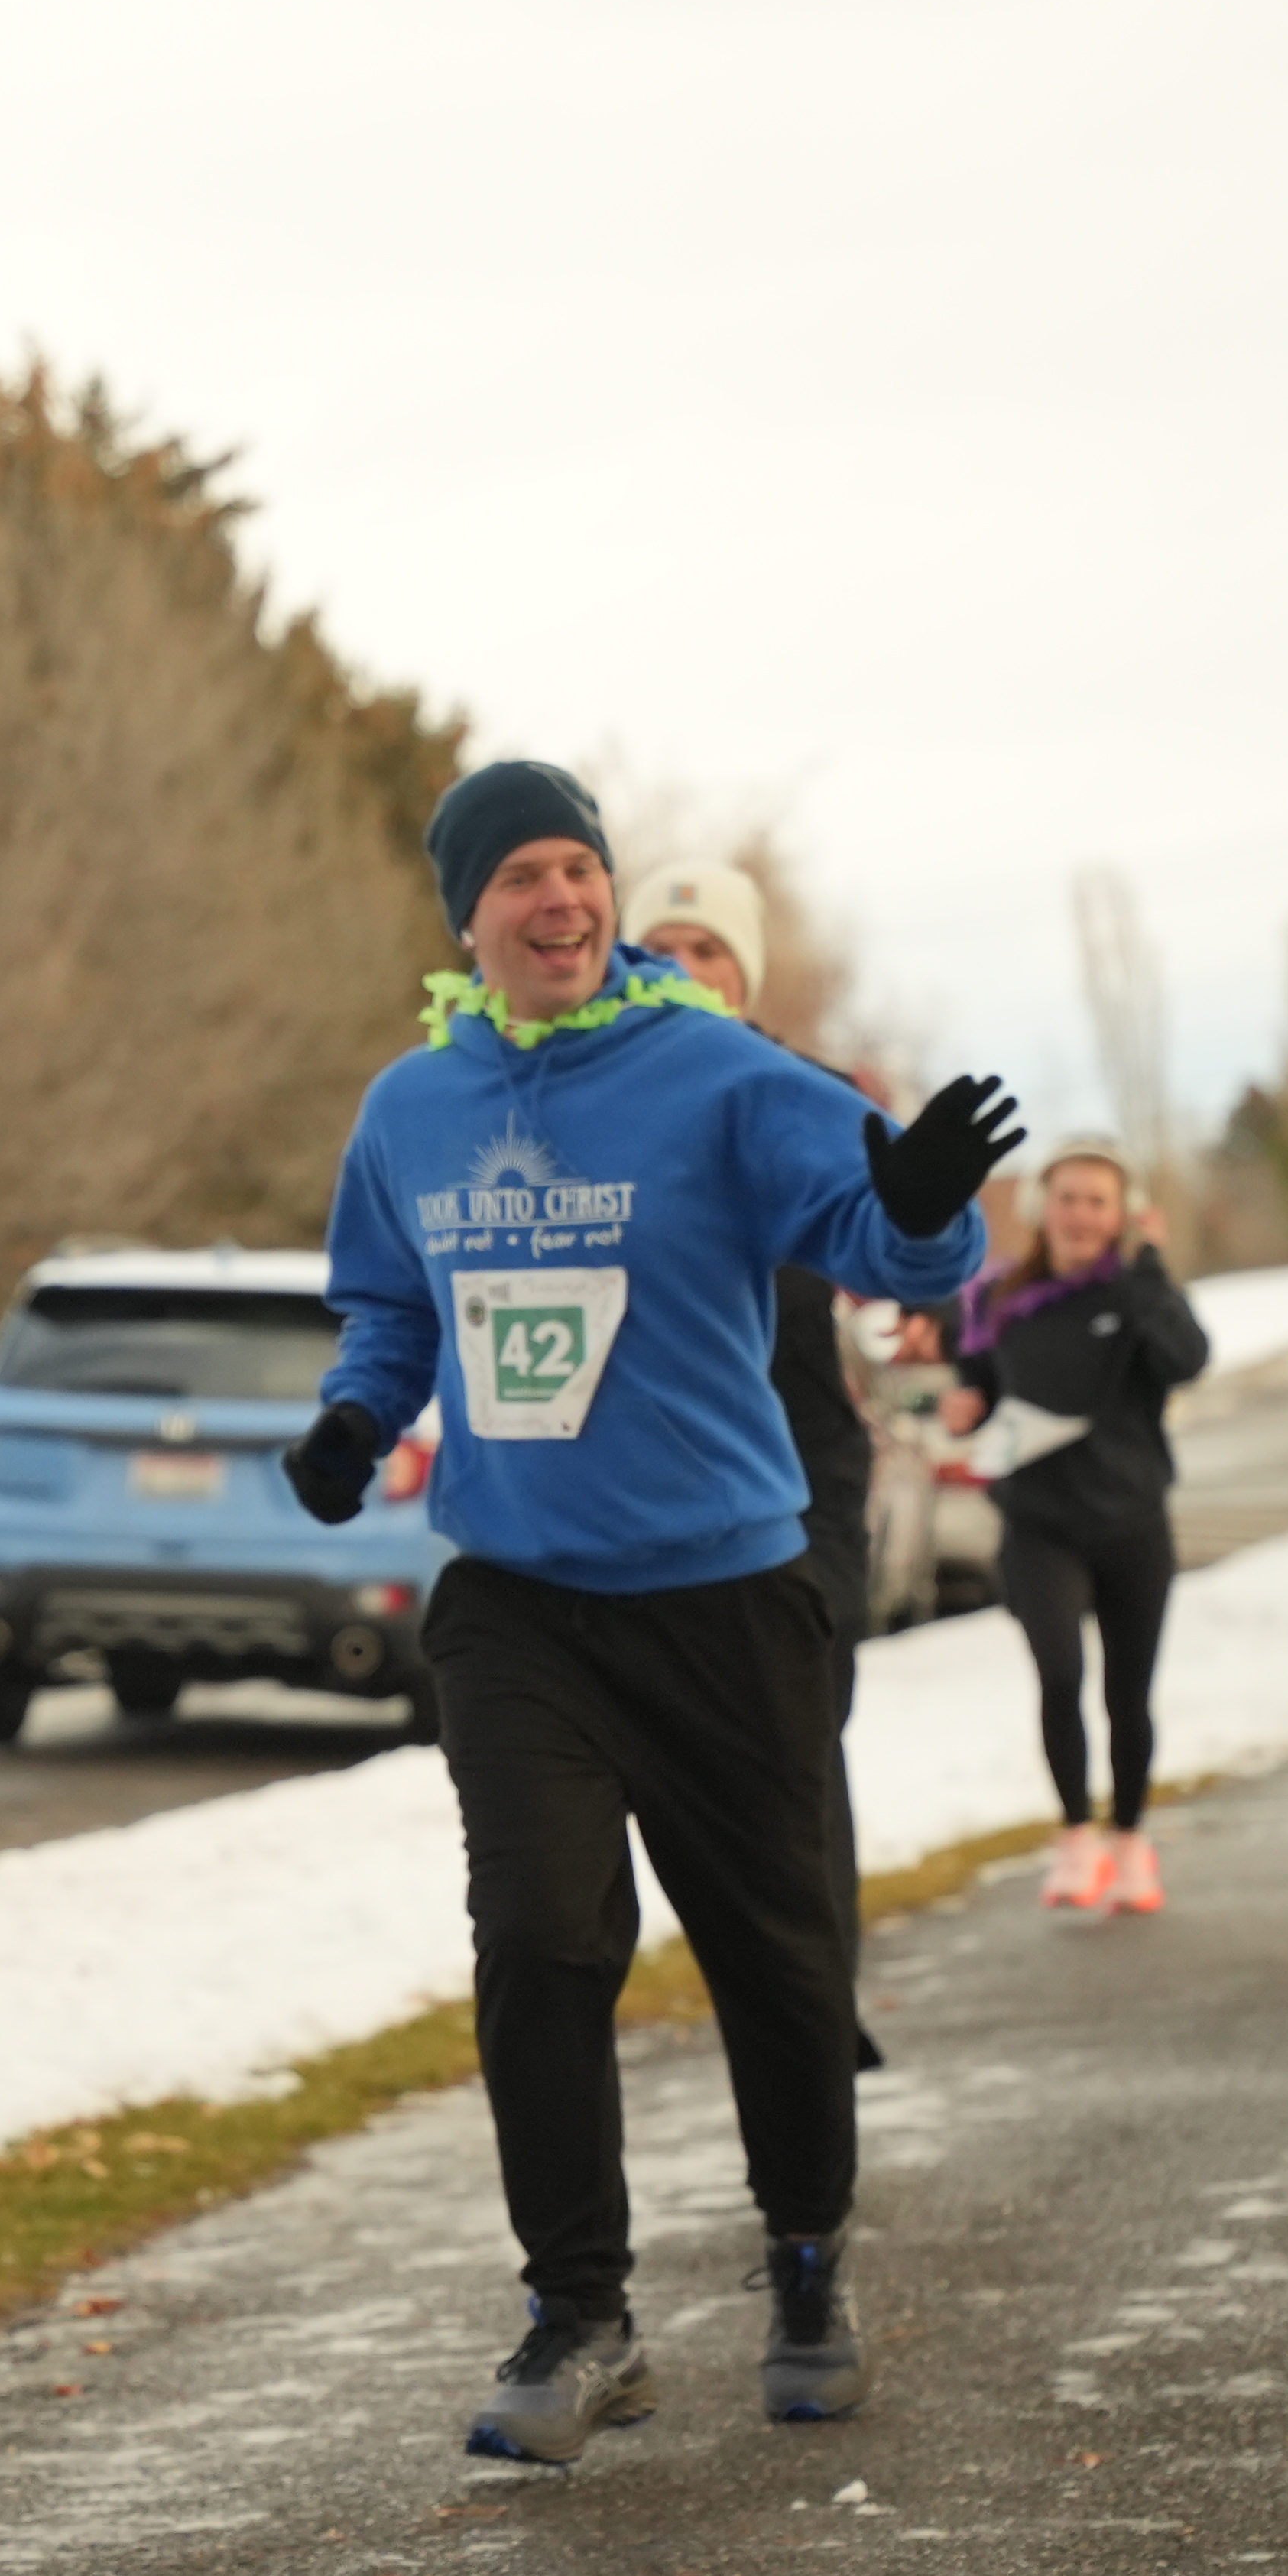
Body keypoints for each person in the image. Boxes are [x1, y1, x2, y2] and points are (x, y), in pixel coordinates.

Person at [285, 762, 1011, 2456]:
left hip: (725, 1591)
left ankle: (810, 2260)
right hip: (521, 1597)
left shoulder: (715, 1067)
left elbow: (891, 1244)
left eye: (578, 870)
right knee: (542, 1938)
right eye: (522, 877)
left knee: (774, 1954)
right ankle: (580, 2313)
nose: (561, 901)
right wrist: (349, 1421)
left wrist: (917, 1209)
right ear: (467, 917)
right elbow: (391, 1312)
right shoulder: (412, 1109)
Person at [628, 856, 887, 2072]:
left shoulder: (803, 1095)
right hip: (667, 1481)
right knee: (719, 1776)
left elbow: (907, 1234)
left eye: (709, 953)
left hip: (803, 1473)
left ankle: (817, 2006)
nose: (684, 969)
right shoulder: (594, 1103)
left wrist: (924, 1299)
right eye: (664, 947)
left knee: (801, 1736)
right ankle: (787, 2001)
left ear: (744, 978)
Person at [945, 1140, 1213, 1904]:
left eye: (1099, 1200)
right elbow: (978, 1384)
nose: (1081, 1214)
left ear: (1120, 1214)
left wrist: (1152, 1269)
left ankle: (1129, 1841)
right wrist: (967, 1407)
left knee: (1129, 1695)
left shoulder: (1135, 1292)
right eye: (1068, 1197)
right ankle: (1075, 1835)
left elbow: (1188, 1359)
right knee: (1060, 1675)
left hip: (1131, 1519)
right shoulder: (999, 1297)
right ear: (1041, 1206)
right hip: (1038, 1522)